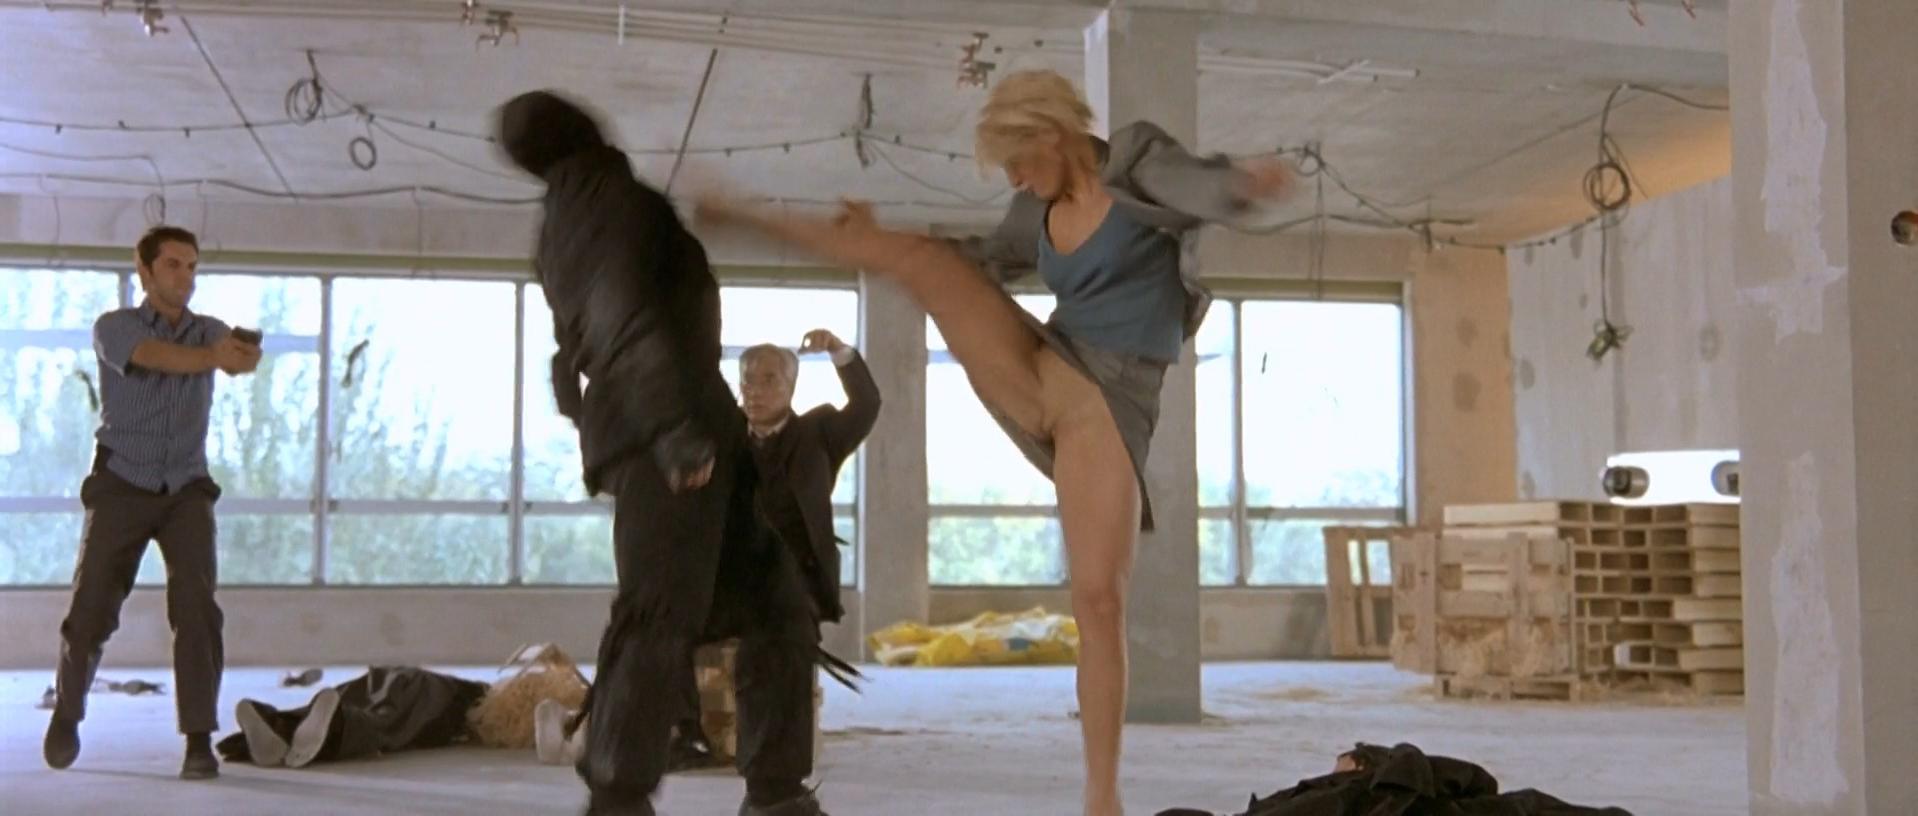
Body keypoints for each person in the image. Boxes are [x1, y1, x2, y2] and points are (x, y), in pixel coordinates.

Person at [698, 69, 1291, 816]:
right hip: (1041, 366)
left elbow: (1197, 184)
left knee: (1099, 601)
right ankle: (748, 217)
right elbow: (979, 258)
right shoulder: (1029, 210)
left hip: (1109, 405)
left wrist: (1245, 185)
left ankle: (1101, 797)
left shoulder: (1136, 159)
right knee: (925, 259)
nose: (1013, 179)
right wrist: (881, 241)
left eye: (1017, 160)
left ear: (1052, 133)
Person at [495, 89, 832, 816]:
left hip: (683, 426)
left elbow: (572, 347)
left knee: (778, 607)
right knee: (657, 615)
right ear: (575, 129)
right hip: (672, 430)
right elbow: (622, 325)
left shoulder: (566, 222)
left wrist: (598, 417)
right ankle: (617, 796)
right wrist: (667, 431)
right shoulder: (612, 204)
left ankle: (777, 793)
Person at [43, 225, 262, 780]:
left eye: (192, 266)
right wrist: (213, 356)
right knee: (91, 612)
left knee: (197, 609)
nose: (184, 276)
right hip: (122, 481)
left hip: (186, 487)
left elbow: (236, 363)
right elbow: (156, 357)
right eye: (172, 265)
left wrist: (240, 355)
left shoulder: (210, 330)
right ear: (144, 271)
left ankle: (198, 741)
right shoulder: (115, 327)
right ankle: (68, 712)